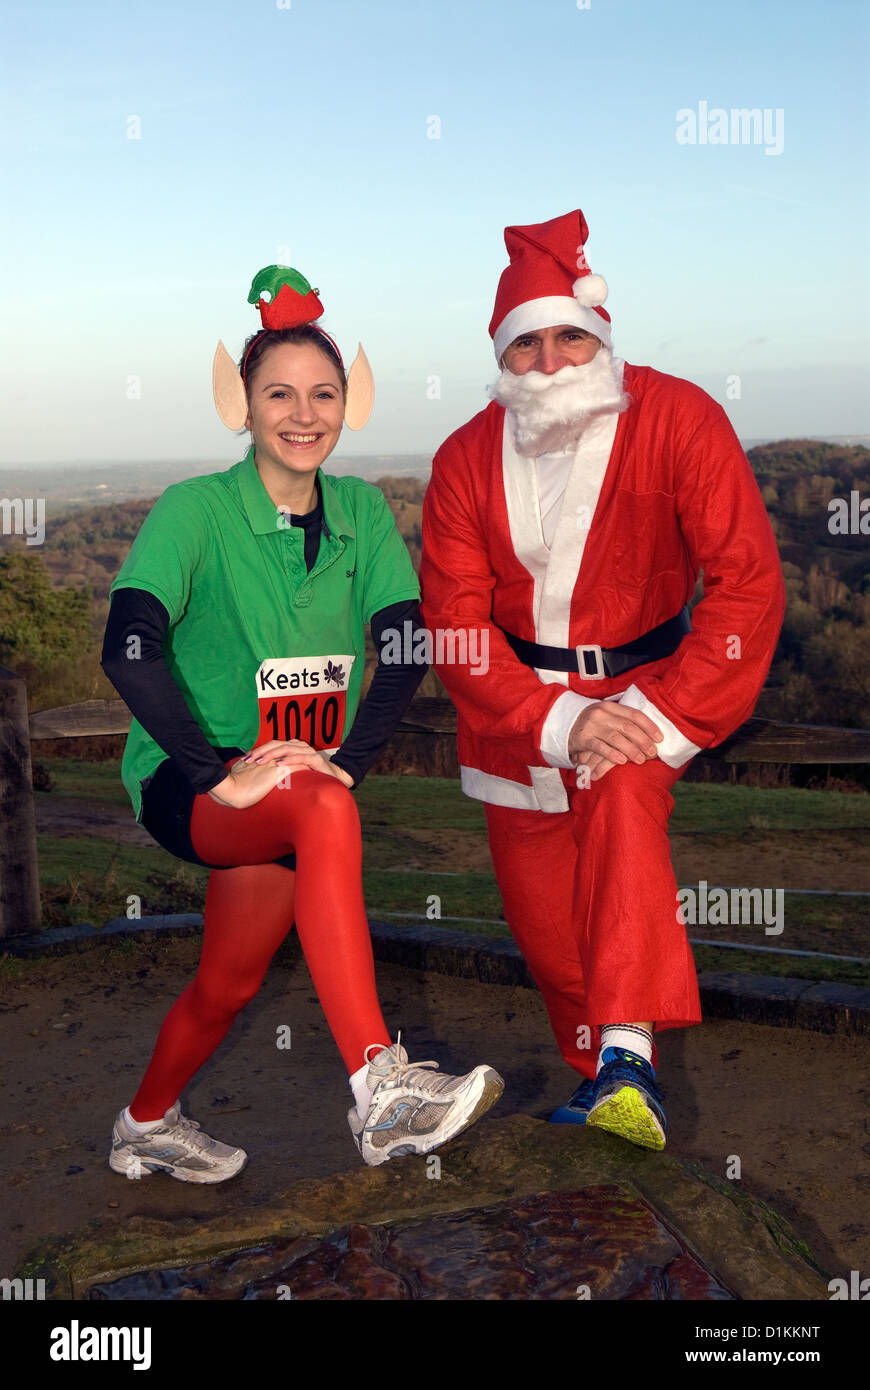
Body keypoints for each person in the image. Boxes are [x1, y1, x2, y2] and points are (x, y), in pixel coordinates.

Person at [101, 264, 503, 1184]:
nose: (303, 412)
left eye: (322, 393)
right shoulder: (195, 509)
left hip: (294, 789)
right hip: (189, 782)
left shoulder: (361, 510)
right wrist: (215, 772)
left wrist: (350, 761)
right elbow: (129, 645)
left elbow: (404, 644)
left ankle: (146, 1123)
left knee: (229, 982)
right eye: (278, 392)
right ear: (240, 404)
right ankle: (380, 1091)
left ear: (348, 403)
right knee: (316, 802)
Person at [419, 210, 785, 1150]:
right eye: (527, 344)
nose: (549, 361)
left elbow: (746, 584)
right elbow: (455, 625)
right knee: (549, 936)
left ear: (602, 337)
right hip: (516, 719)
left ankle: (629, 1055)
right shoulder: (462, 457)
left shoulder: (682, 416)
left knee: (621, 802)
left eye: (569, 336)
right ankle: (606, 1089)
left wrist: (659, 712)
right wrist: (553, 718)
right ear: (504, 357)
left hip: (646, 692)